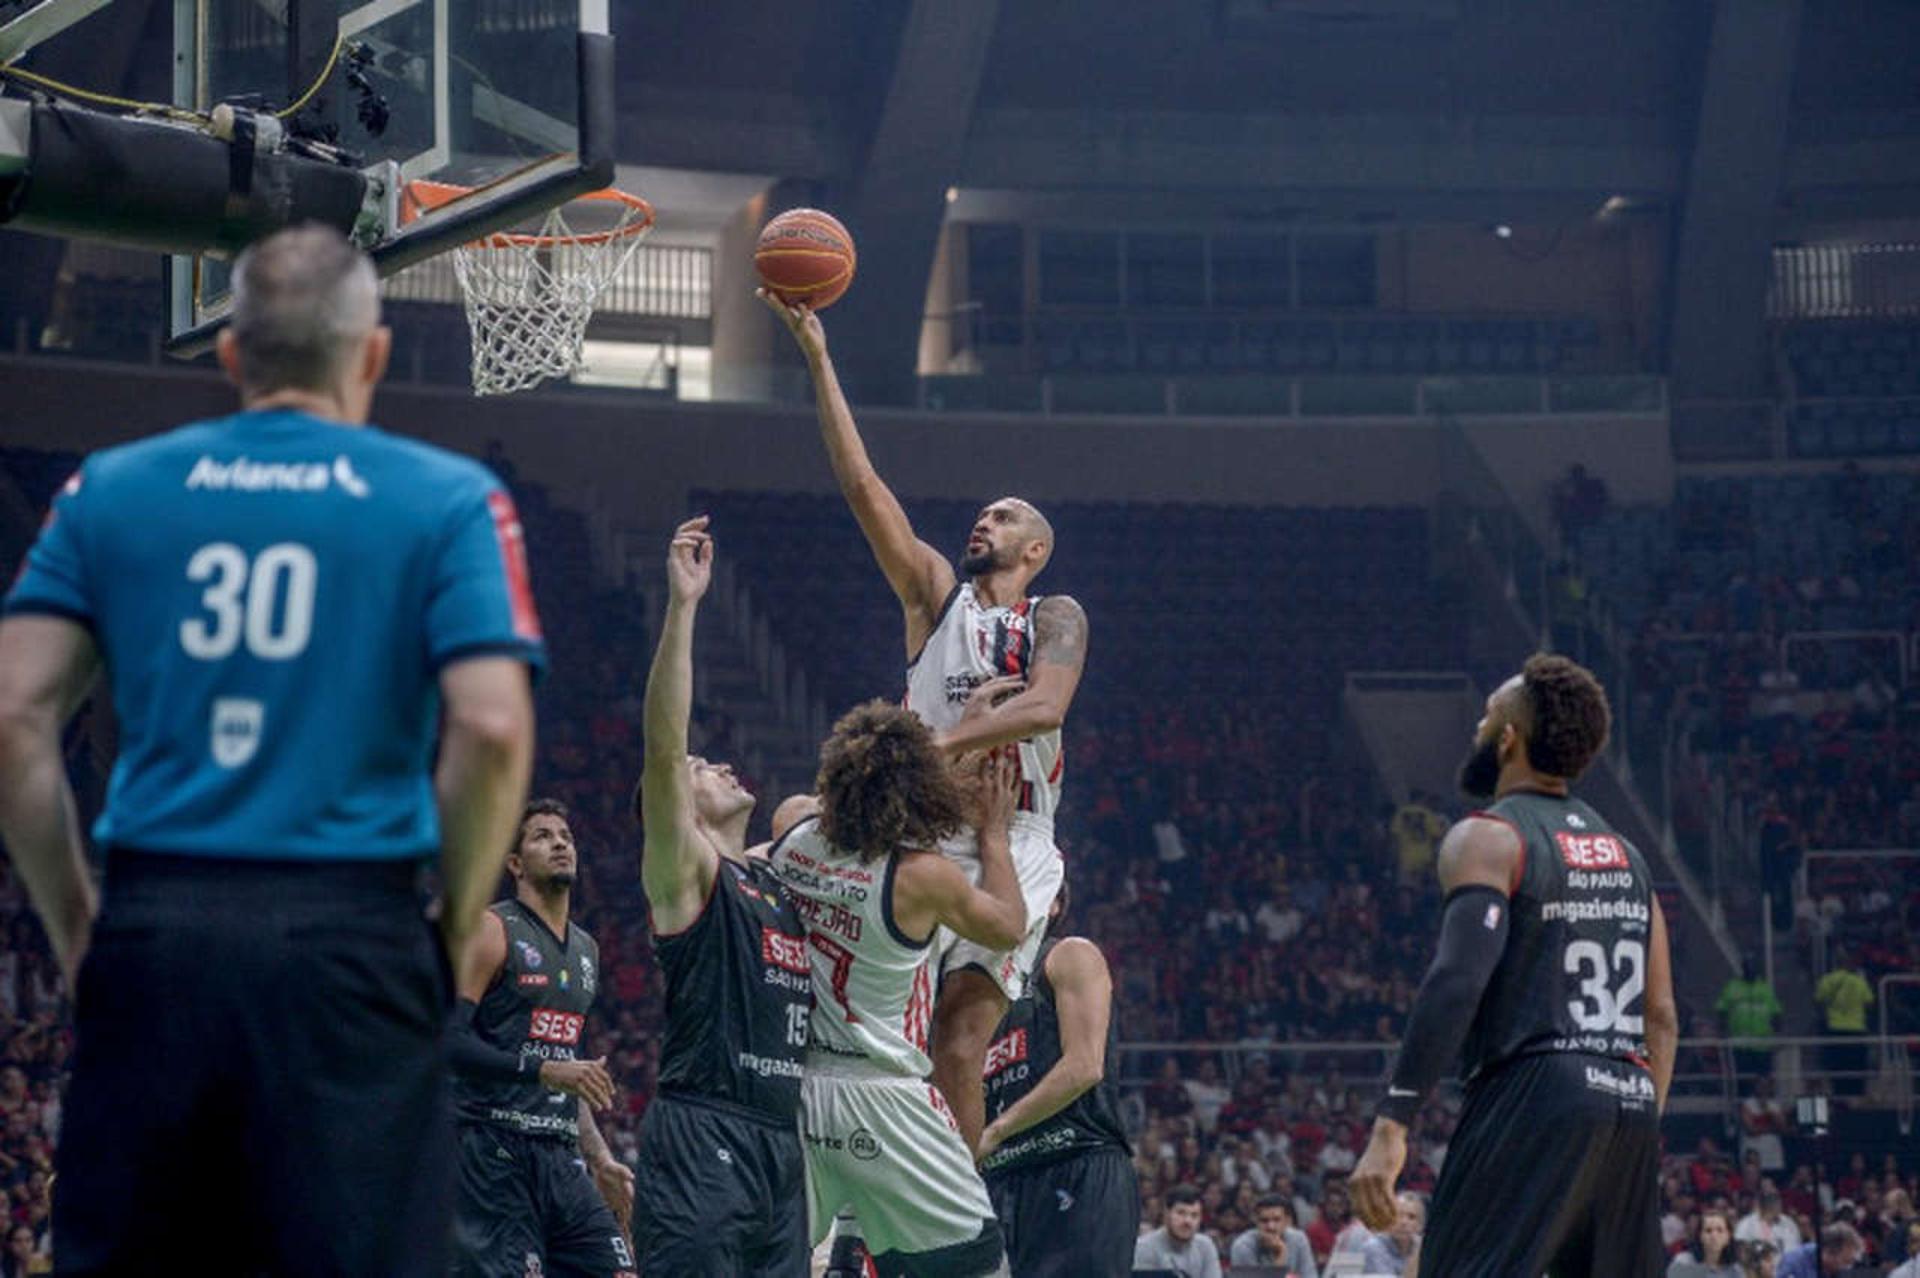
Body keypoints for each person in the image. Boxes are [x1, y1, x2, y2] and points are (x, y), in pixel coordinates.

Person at [0, 224, 541, 1273]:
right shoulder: (447, 498)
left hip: (158, 933)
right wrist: (455, 922)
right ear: (372, 356)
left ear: (233, 353)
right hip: (354, 943)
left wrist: (79, 926)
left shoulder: (107, 489)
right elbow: (490, 724)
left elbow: (16, 715)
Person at [768, 292, 1088, 1156]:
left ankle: (963, 1223)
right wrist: (819, 361)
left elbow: (1048, 705)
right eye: (983, 512)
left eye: (1008, 515)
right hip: (919, 831)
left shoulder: (1055, 616)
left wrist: (937, 743)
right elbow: (864, 488)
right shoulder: (934, 598)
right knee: (875, 1034)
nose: (987, 519)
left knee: (957, 1041)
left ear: (1037, 551)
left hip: (1011, 835)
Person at [1350, 654, 1680, 1276]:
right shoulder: (1629, 857)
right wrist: (1629, 1122)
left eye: (1487, 716)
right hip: (1631, 1097)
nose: (1478, 727)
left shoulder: (1489, 837)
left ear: (1508, 739)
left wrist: (1394, 1121)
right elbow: (1661, 1017)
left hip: (1536, 1086)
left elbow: (1457, 980)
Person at [769, 705, 1031, 1277]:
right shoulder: (919, 876)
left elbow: (846, 787)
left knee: (775, 1264)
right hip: (884, 1092)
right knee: (981, 1265)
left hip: (799, 1089)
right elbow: (1009, 925)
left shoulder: (792, 834)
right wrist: (993, 838)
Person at [631, 518, 813, 1276]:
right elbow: (666, 749)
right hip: (706, 1131)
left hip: (782, 1141)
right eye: (704, 769)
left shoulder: (774, 874)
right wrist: (684, 608)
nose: (720, 764)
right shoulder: (688, 873)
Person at [447, 800, 633, 1277]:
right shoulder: (492, 929)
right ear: (515, 863)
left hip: (560, 1155)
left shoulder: (587, 950)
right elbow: (448, 1041)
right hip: (492, 1149)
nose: (559, 844)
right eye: (542, 836)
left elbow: (566, 1067)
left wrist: (601, 1159)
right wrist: (542, 1070)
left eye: (566, 837)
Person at [978, 883, 1136, 1278]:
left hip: (1075, 1163)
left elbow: (1084, 1066)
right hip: (1000, 1181)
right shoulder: (976, 991)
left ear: (1054, 903)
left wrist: (996, 1131)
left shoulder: (1070, 955)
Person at [1813, 952, 1873, 1096]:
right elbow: (1870, 1003)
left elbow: (1817, 1002)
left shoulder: (1827, 980)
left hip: (1835, 1030)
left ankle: (1839, 1099)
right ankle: (1856, 1099)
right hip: (1856, 1030)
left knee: (1838, 1071)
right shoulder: (1859, 981)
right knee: (1856, 1070)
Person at [1133, 1184, 1222, 1278]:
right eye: (1181, 1213)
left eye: (1194, 1215)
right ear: (1166, 1213)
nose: (1187, 1221)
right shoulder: (1144, 1247)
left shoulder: (1205, 1246)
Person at [1717, 958, 1784, 1079]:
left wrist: (1777, 1034)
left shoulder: (1765, 989)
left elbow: (1776, 1012)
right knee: (1742, 1079)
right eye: (1748, 967)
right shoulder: (1732, 987)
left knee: (1763, 1078)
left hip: (1762, 1044)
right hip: (1740, 1045)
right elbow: (1722, 1011)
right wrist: (1722, 1032)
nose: (1750, 970)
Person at [1228, 1194, 1317, 1277]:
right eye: (1264, 1220)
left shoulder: (1299, 1239)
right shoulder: (1242, 1246)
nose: (1271, 1227)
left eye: (1276, 1220)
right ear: (1256, 1221)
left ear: (1287, 1221)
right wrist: (1281, 1254)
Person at [1358, 1192, 1423, 1276]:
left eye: (1411, 1217)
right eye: (1397, 1215)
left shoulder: (1422, 1246)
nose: (1404, 1222)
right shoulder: (1373, 1247)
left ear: (1420, 1225)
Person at [1669, 1209, 1741, 1277]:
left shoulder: (1735, 1270)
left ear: (1728, 1237)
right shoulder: (1684, 1262)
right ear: (1700, 1236)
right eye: (1708, 1231)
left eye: (1720, 1230)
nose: (1714, 1236)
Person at [1777, 1223, 1862, 1278]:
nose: (1848, 1268)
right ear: (1829, 1252)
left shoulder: (1835, 1271)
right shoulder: (1794, 1261)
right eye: (1846, 1262)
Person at [1737, 1188, 1803, 1256]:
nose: (1778, 1207)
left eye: (1777, 1203)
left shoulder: (1788, 1224)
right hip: (1754, 1265)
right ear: (1761, 1206)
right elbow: (1742, 1252)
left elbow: (1794, 1251)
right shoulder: (1746, 1225)